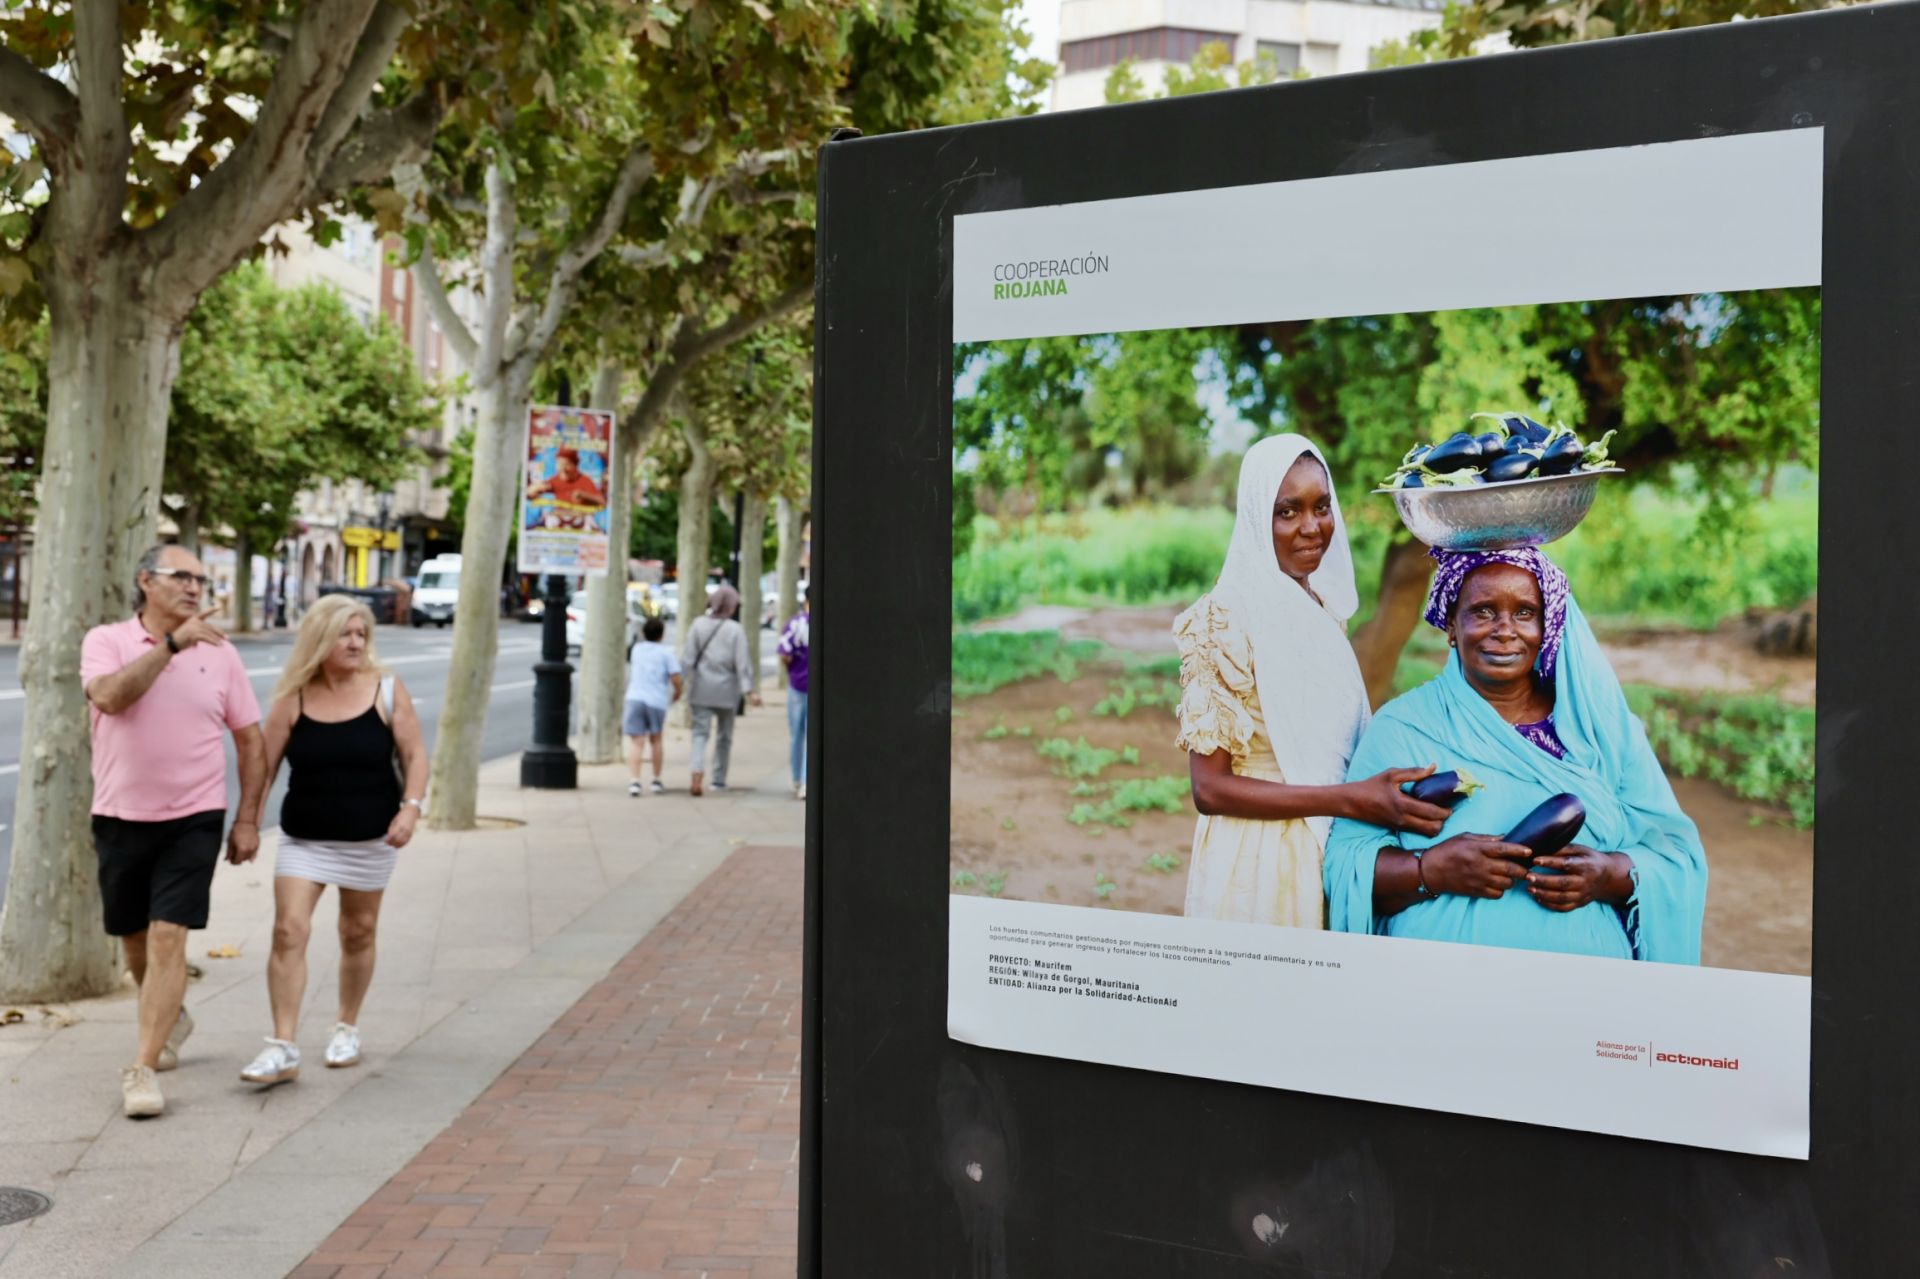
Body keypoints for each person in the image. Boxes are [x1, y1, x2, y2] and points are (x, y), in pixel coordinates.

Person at [1323, 547, 1708, 961]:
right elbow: (1344, 863)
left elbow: (1676, 857)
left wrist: (1609, 875)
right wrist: (1429, 869)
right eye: (1484, 611)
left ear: (1549, 625)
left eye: (1525, 613)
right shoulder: (1403, 727)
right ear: (1452, 623)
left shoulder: (1602, 731)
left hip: (1586, 989)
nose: (1505, 630)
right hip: (1441, 987)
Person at [1173, 435, 1450, 928]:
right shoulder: (1225, 619)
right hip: (1259, 860)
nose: (1311, 528)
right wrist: (1350, 798)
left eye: (1322, 507)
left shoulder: (1320, 610)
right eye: (1288, 511)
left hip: (1328, 843)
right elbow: (1209, 789)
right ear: (1259, 517)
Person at [82, 544, 266, 1118]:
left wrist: (247, 819)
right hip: (119, 814)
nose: (193, 588)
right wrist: (171, 646)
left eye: (200, 579)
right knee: (134, 939)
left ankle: (141, 1068)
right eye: (180, 576)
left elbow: (251, 741)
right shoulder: (106, 641)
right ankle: (170, 1018)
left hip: (194, 816)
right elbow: (110, 698)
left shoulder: (223, 654)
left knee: (168, 938)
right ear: (145, 581)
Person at [238, 594, 428, 1086]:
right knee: (288, 931)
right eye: (345, 633)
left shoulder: (386, 690)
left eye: (361, 633)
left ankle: (347, 1026)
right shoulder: (294, 696)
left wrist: (411, 808)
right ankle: (282, 1046)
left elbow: (415, 755)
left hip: (370, 840)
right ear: (320, 639)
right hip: (305, 839)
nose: (355, 642)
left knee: (357, 932)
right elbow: (264, 764)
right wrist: (247, 822)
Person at [681, 582, 759, 796]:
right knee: (724, 737)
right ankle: (718, 779)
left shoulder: (698, 625)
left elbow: (687, 658)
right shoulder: (735, 630)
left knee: (699, 733)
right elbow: (742, 663)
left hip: (701, 689)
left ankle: (697, 772)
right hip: (727, 690)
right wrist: (749, 691)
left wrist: (678, 683)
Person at [625, 616, 683, 796]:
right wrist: (677, 693)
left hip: (635, 697)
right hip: (656, 700)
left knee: (637, 742)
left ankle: (634, 781)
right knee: (656, 740)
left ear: (644, 633)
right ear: (662, 635)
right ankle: (656, 780)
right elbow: (676, 678)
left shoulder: (637, 650)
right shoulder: (666, 653)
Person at [776, 585, 810, 800]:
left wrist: (793, 667)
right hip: (817, 688)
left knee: (796, 735)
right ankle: (807, 781)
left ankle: (796, 778)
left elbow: (784, 654)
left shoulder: (794, 624)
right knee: (812, 737)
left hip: (796, 685)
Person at [525, 446, 606, 509]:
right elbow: (529, 494)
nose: (563, 469)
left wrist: (585, 495)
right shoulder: (554, 481)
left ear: (575, 466)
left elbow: (602, 501)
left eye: (567, 465)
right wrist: (536, 488)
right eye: (560, 464)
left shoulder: (585, 480)